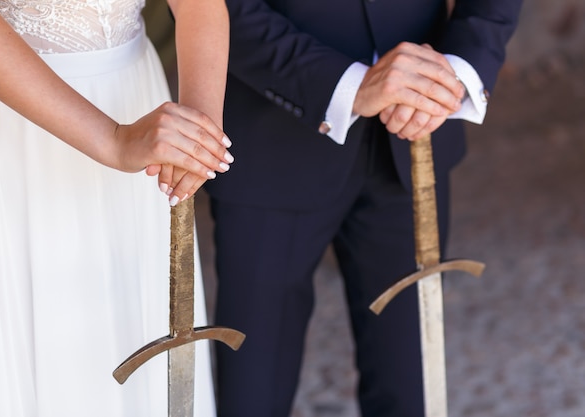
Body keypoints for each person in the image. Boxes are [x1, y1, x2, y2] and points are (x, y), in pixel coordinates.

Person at [204, 1, 523, 416]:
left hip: (416, 137)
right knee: (254, 389)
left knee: (410, 385)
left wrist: (455, 74)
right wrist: (347, 87)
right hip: (273, 139)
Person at [0, 0, 231, 416]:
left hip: (137, 99)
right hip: (12, 107)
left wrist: (199, 135)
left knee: (133, 316)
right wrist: (113, 140)